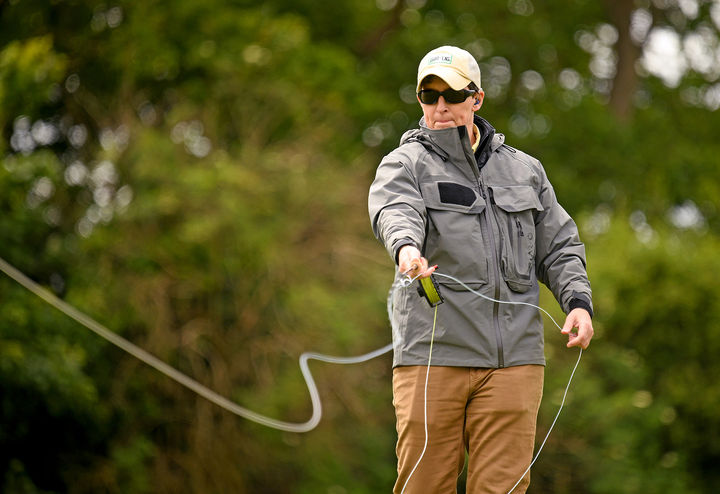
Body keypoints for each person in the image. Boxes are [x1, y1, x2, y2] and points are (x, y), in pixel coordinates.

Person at [367, 46, 594, 494]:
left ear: (477, 98)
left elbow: (560, 246)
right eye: (429, 96)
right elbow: (394, 211)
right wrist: (407, 250)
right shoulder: (404, 163)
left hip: (514, 363)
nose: (440, 107)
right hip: (433, 357)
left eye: (452, 95)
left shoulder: (526, 171)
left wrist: (578, 303)